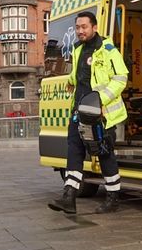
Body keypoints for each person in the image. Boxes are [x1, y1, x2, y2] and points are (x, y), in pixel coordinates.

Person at [48, 11, 128, 214]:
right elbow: (81, 75)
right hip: (80, 110)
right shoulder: (78, 50)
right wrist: (70, 81)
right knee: (74, 149)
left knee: (104, 153)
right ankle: (69, 196)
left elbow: (121, 78)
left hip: (101, 113)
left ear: (94, 27)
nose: (80, 31)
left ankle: (113, 197)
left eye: (84, 27)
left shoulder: (107, 49)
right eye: (77, 27)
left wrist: (102, 100)